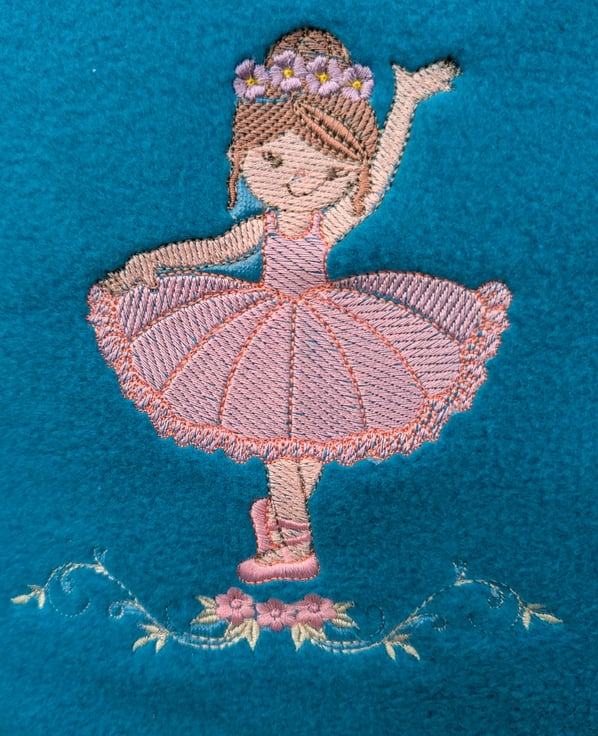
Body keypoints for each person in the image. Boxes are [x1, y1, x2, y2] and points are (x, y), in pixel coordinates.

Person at [88, 28, 511, 584]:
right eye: (273, 159)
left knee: (309, 434)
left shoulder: (323, 225)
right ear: (245, 155)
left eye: (329, 169)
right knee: (282, 434)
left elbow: (373, 189)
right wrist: (149, 264)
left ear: (347, 170)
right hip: (264, 335)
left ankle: (287, 527)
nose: (299, 179)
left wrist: (405, 102)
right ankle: (294, 540)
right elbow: (208, 252)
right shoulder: (263, 227)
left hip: (321, 336)